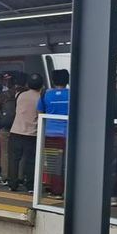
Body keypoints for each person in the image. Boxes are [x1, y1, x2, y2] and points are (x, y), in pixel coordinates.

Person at [7, 73, 44, 192]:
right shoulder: (40, 98)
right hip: (31, 133)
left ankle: (12, 184)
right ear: (41, 85)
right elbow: (40, 114)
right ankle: (30, 185)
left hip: (16, 130)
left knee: (14, 159)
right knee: (31, 160)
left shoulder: (20, 95)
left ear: (28, 84)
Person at [38, 69, 70, 197]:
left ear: (53, 80)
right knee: (67, 163)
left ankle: (56, 190)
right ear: (67, 80)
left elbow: (40, 112)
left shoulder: (46, 94)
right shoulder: (72, 94)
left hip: (50, 134)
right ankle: (67, 189)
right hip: (68, 134)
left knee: (53, 163)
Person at [0, 73, 20, 183]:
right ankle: (18, 177)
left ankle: (5, 177)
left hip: (5, 126)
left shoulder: (3, 95)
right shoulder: (21, 93)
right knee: (17, 154)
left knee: (5, 153)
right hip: (18, 127)